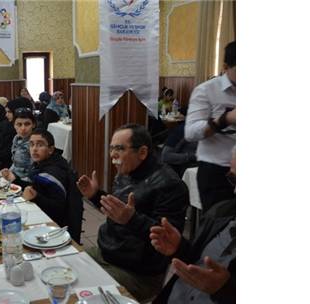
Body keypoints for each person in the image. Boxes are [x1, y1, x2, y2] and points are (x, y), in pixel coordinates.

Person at [76, 124, 189, 302]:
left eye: (119, 149)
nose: (112, 154)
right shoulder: (127, 171)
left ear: (142, 152)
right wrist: (96, 195)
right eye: (111, 148)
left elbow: (166, 239)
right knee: (66, 269)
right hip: (107, 251)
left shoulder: (170, 185)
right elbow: (119, 211)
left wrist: (131, 219)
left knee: (82, 293)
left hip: (138, 273)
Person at [151, 149, 236, 303]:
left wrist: (225, 290)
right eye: (234, 179)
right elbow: (197, 262)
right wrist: (179, 248)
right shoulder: (222, 212)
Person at [1, 129, 83, 243]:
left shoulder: (54, 173)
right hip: (46, 216)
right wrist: (15, 179)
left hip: (55, 228)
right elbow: (37, 187)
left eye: (40, 145)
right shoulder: (45, 163)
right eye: (31, 144)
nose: (34, 149)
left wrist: (36, 197)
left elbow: (58, 208)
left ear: (50, 149)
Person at [185, 41, 236, 211]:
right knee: (219, 229)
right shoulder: (206, 90)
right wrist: (225, 119)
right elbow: (190, 133)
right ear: (225, 67)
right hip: (217, 173)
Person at [5, 108, 35, 182]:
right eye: (19, 124)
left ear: (33, 125)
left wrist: (15, 180)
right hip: (15, 177)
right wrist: (9, 172)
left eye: (27, 124)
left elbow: (34, 173)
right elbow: (15, 164)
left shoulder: (34, 144)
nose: (23, 128)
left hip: (25, 182)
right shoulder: (17, 138)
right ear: (14, 125)